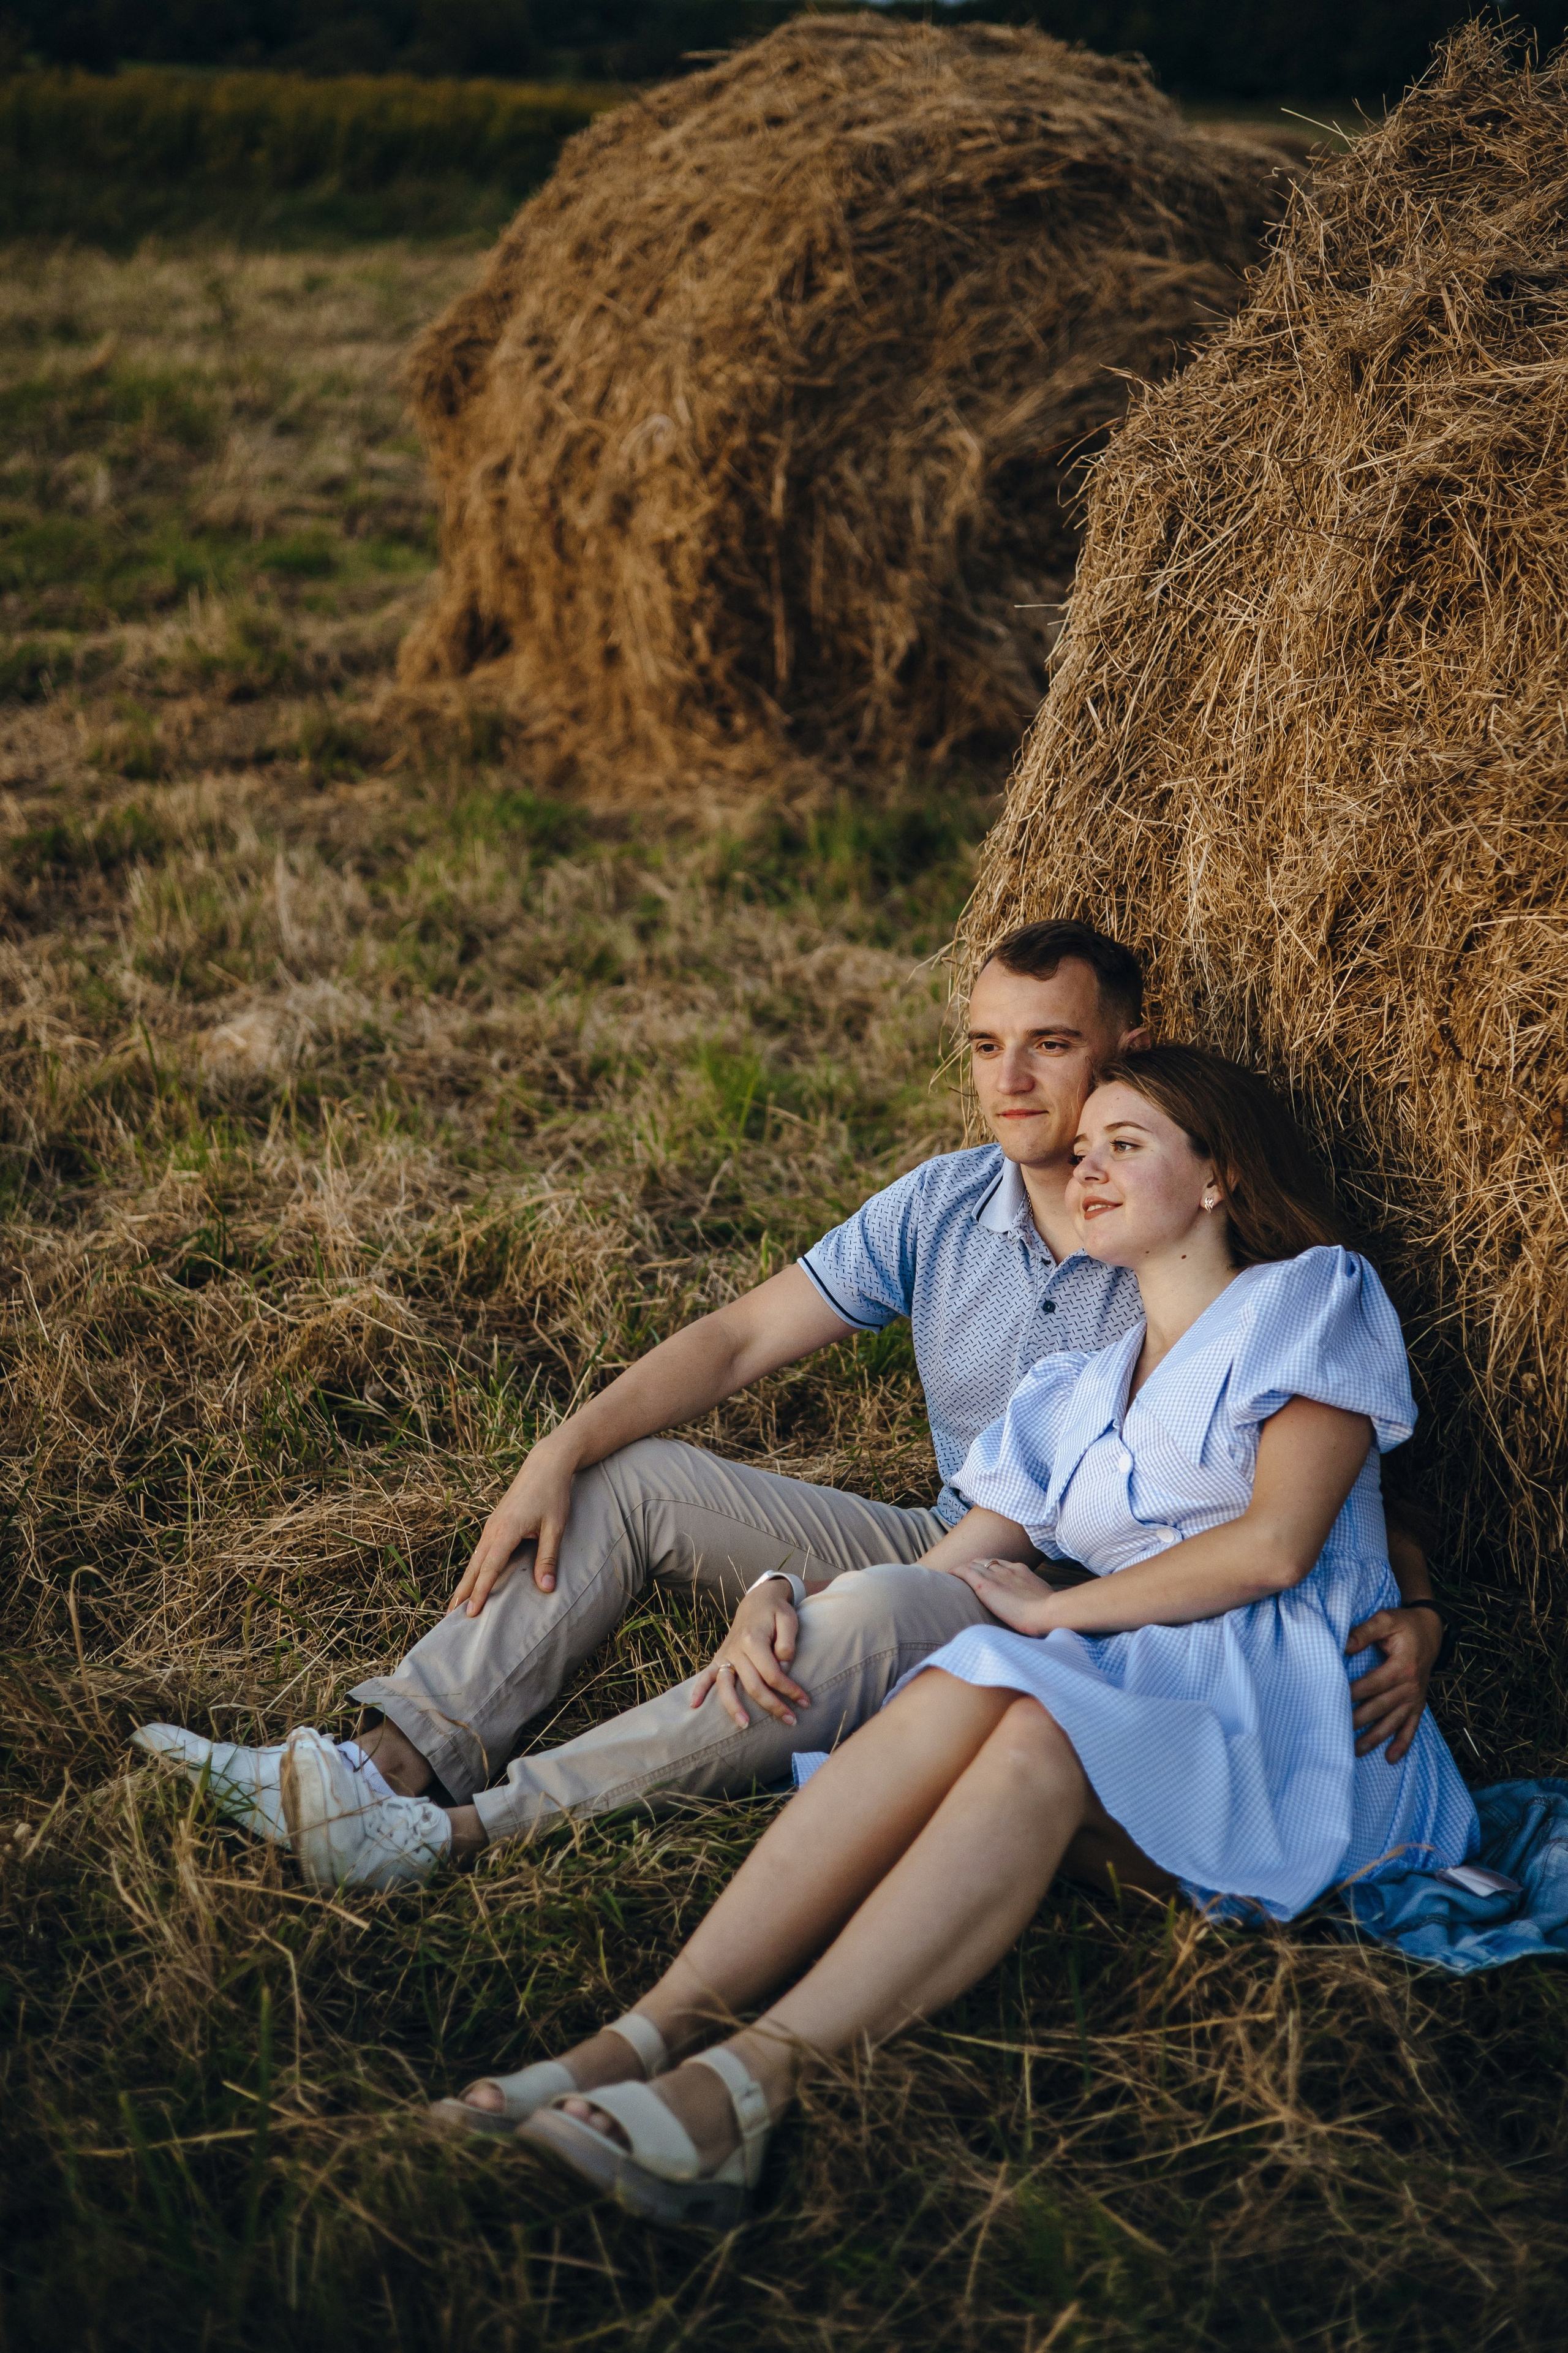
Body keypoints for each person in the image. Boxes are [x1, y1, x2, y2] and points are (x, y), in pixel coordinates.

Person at [130, 925, 1446, 1887]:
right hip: (954, 1540)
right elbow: (740, 1334)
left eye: (1050, 1045)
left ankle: (467, 1831)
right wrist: (561, 1443)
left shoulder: (1177, 1238)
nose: (1011, 1081)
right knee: (631, 1478)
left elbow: (1301, 1487)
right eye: (986, 1047)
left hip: (1085, 1603)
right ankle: (385, 1767)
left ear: (1123, 1053)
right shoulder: (942, 1203)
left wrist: (1416, 1602)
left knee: (869, 1608)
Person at [423, 1045, 1477, 2229]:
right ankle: (636, 2039)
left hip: (1303, 1726)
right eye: (1086, 1151)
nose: (1089, 1168)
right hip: (1153, 1693)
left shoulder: (1309, 1298)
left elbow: (1276, 1546)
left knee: (1032, 1721)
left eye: (1127, 1145)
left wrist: (1056, 1611)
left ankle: (746, 2085)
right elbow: (939, 1573)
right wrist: (779, 1583)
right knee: (963, 1679)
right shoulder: (1076, 1389)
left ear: (1220, 1174)